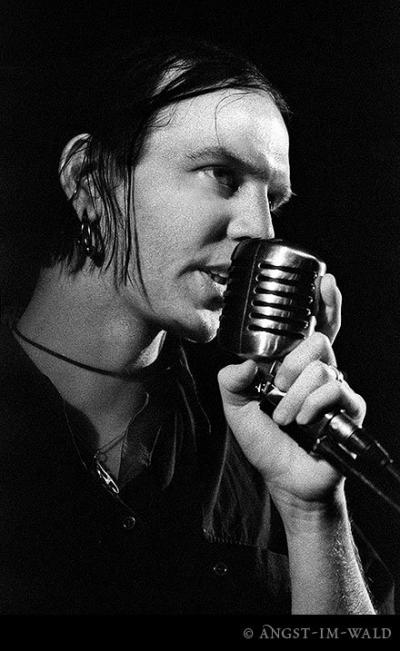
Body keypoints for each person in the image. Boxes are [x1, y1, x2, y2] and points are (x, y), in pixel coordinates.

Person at [0, 38, 393, 616]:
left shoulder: (263, 442)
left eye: (273, 201)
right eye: (222, 174)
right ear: (89, 178)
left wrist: (313, 516)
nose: (262, 230)